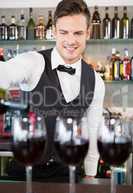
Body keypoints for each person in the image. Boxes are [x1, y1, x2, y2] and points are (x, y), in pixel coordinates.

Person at [0, 0, 105, 181]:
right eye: (64, 32)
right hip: (26, 171)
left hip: (68, 174)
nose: (71, 41)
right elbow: (5, 73)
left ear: (88, 33)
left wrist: (90, 174)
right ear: (54, 31)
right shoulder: (35, 62)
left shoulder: (96, 80)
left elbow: (92, 129)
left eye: (78, 33)